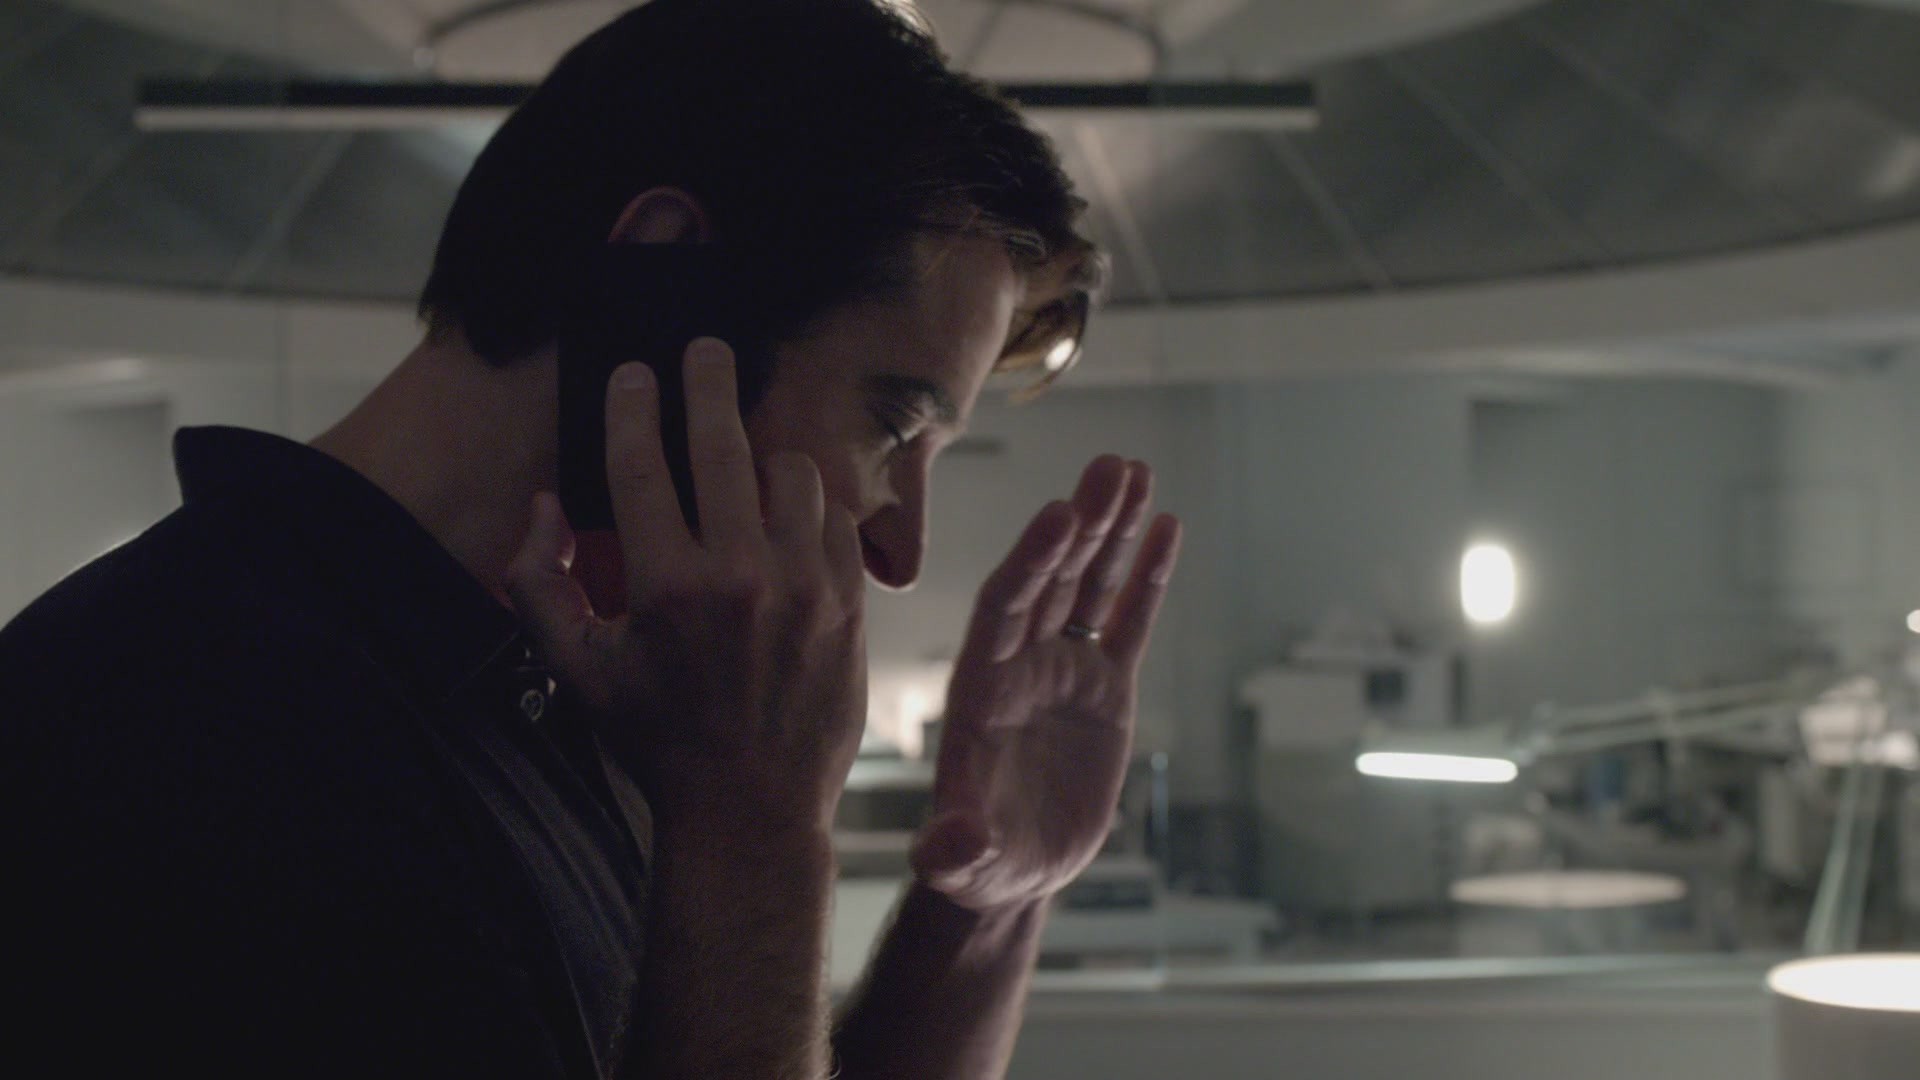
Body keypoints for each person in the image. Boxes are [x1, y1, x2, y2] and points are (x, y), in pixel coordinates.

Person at [0, 1, 1181, 1076]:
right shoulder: (190, 723)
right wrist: (755, 824)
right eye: (893, 424)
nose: (900, 551)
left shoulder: (528, 701)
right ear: (665, 276)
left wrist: (983, 904)